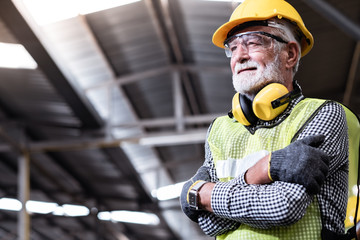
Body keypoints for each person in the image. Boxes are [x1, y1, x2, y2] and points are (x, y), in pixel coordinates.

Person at [180, 0, 360, 239]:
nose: (240, 57)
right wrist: (261, 172)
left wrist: (203, 196)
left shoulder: (323, 114)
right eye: (232, 48)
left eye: (253, 42)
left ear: (290, 54)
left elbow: (284, 206)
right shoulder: (220, 130)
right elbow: (210, 225)